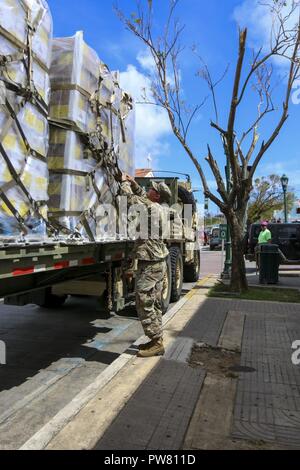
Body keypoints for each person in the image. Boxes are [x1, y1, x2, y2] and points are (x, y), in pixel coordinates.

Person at [120, 174, 172, 358]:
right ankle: (155, 338)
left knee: (144, 300)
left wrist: (125, 183)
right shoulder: (159, 207)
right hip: (155, 261)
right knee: (154, 301)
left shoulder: (151, 208)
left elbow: (131, 200)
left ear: (157, 196)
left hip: (151, 263)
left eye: (152, 189)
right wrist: (134, 183)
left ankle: (156, 341)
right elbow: (142, 195)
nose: (148, 189)